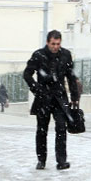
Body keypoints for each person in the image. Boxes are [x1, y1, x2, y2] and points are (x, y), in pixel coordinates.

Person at [23, 30, 80, 170]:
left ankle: (61, 161)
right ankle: (41, 159)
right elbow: (27, 74)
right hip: (43, 97)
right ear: (48, 42)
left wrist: (74, 97)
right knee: (42, 130)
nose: (55, 47)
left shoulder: (66, 55)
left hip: (60, 97)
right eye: (53, 44)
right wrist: (36, 88)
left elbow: (71, 76)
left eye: (58, 44)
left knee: (61, 128)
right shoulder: (39, 55)